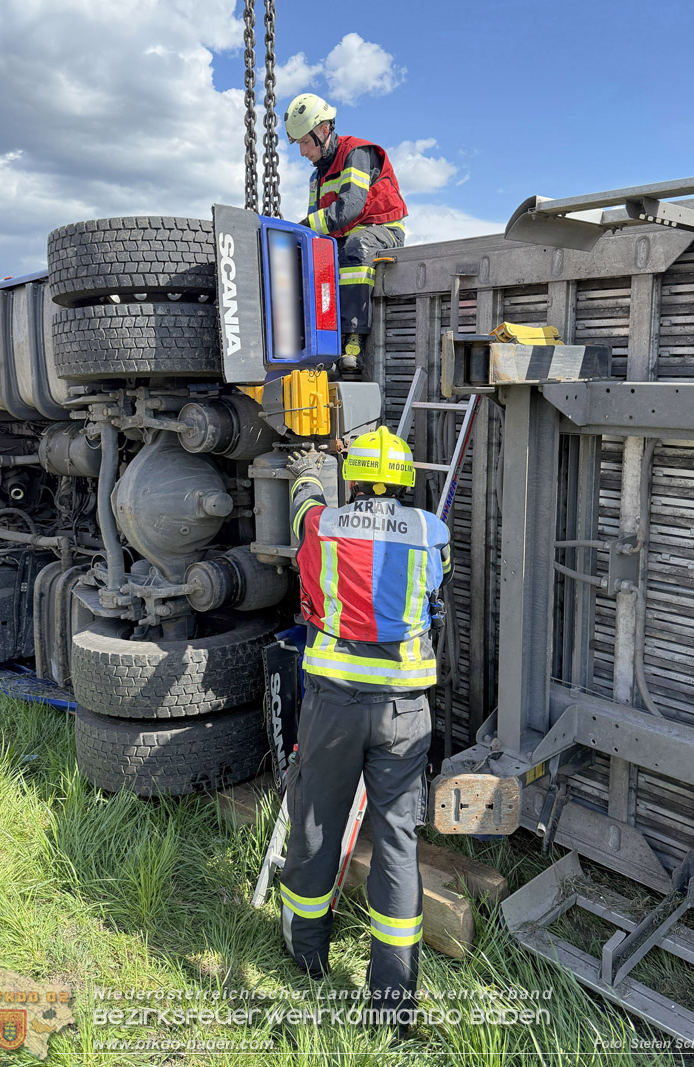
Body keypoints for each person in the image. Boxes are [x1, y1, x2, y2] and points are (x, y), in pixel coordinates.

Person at [278, 426, 452, 1032]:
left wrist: (307, 466)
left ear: (352, 481)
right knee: (398, 842)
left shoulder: (322, 525)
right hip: (404, 713)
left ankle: (307, 958)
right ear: (404, 482)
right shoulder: (431, 531)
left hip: (333, 706)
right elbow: (435, 588)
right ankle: (392, 1001)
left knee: (316, 821)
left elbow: (302, 503)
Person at [284, 93, 408, 372]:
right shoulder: (317, 176)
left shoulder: (357, 153)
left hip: (382, 230)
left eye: (305, 142)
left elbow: (349, 208)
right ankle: (317, 342)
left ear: (323, 130)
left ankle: (353, 341)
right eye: (299, 144)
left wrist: (300, 228)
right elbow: (320, 224)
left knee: (355, 248)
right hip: (346, 236)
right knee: (314, 257)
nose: (302, 152)